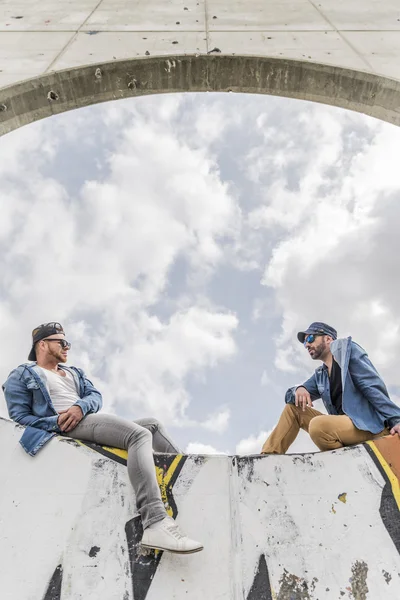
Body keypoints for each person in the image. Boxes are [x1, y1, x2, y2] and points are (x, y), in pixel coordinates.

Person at [3, 322, 203, 555]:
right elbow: (19, 418)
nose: (68, 347)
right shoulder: (23, 374)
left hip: (84, 418)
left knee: (152, 425)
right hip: (64, 427)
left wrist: (80, 406)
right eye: (62, 342)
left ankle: (188, 485)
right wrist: (56, 422)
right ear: (43, 344)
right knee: (138, 435)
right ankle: (155, 522)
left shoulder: (73, 373)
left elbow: (95, 396)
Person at [261, 322, 400, 454]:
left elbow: (372, 386)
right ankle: (267, 457)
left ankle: (344, 458)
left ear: (328, 339)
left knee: (318, 426)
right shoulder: (320, 375)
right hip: (344, 429)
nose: (307, 345)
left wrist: (396, 419)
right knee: (292, 409)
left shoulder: (347, 351)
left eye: (310, 338)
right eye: (305, 343)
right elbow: (289, 398)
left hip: (367, 426)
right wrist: (299, 389)